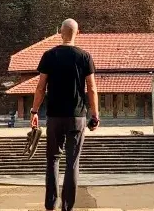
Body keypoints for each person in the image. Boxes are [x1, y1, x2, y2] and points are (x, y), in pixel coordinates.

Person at [30, 18, 99, 211]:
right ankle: (67, 206)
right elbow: (92, 88)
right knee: (72, 161)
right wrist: (95, 115)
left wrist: (34, 111)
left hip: (54, 116)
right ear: (78, 32)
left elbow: (40, 87)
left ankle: (51, 203)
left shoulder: (49, 55)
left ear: (61, 32)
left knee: (52, 158)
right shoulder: (85, 57)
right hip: (77, 116)